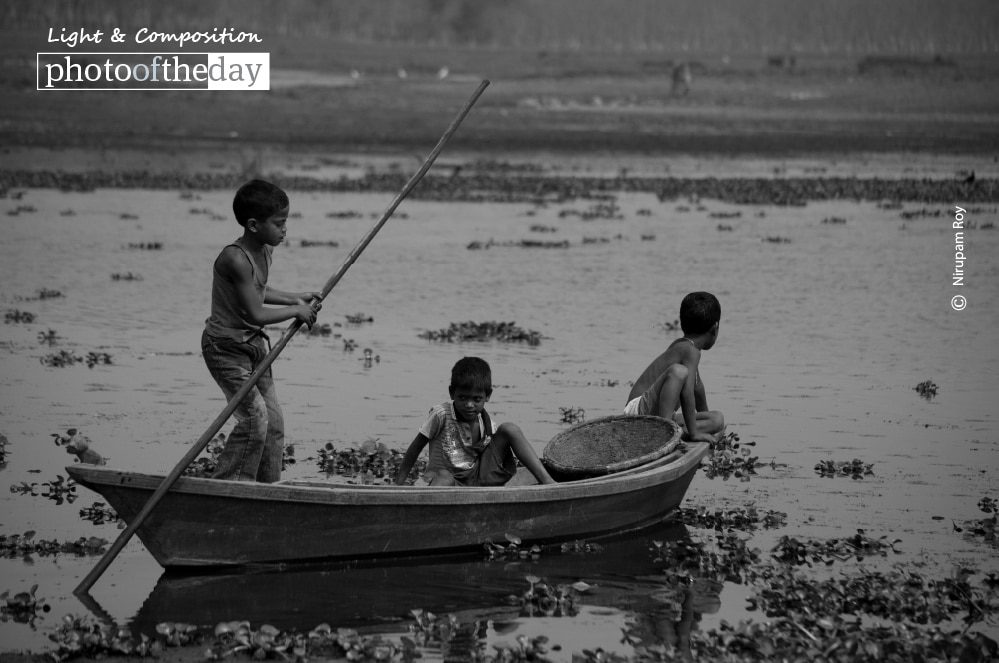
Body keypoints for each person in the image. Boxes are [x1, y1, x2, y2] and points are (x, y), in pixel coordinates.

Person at [201, 179, 322, 482]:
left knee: (274, 424)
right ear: (253, 225)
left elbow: (258, 290)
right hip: (226, 348)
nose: (285, 230)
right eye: (279, 223)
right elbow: (254, 312)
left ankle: (269, 489)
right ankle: (230, 487)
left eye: (286, 222)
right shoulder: (235, 258)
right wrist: (296, 311)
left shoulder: (265, 249)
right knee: (254, 419)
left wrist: (295, 298)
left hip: (254, 345)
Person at [394, 357, 557, 486]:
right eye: (462, 398)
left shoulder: (487, 424)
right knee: (444, 476)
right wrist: (399, 485)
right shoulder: (441, 415)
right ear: (452, 393)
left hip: (477, 479)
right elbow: (415, 448)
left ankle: (548, 482)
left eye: (477, 399)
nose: (469, 405)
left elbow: (491, 456)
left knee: (510, 429)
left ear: (488, 396)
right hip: (447, 482)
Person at [624, 292, 724, 443]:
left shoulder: (687, 347)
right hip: (637, 413)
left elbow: (697, 390)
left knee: (717, 419)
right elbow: (688, 392)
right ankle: (665, 435)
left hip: (655, 416)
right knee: (678, 372)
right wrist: (695, 433)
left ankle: (672, 431)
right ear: (715, 328)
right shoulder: (689, 350)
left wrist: (709, 426)